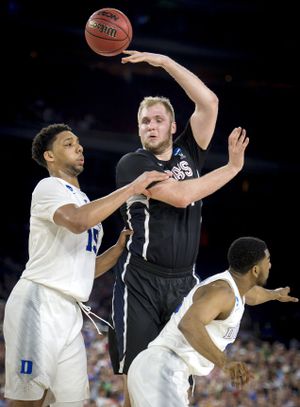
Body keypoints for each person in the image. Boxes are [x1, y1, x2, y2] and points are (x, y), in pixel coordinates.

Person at [108, 50, 249, 405]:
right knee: (138, 380)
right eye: (144, 121)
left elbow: (209, 102)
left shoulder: (189, 151)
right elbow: (182, 196)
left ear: (173, 127)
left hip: (184, 281)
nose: (150, 126)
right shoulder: (133, 164)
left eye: (158, 120)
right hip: (140, 280)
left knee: (178, 380)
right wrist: (231, 169)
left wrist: (165, 63)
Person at [3, 123, 170, 407]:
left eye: (78, 143)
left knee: (71, 401)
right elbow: (78, 221)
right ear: (49, 156)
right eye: (68, 144)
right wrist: (132, 188)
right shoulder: (49, 187)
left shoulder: (83, 199)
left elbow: (85, 270)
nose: (79, 147)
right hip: (39, 303)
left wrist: (117, 250)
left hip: (70, 310)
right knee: (29, 400)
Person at [127, 236, 299, 406]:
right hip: (162, 368)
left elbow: (253, 295)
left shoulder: (236, 290)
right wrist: (226, 362)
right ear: (255, 270)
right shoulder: (223, 292)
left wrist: (275, 294)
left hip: (165, 369)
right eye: (267, 260)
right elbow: (189, 324)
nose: (270, 265)